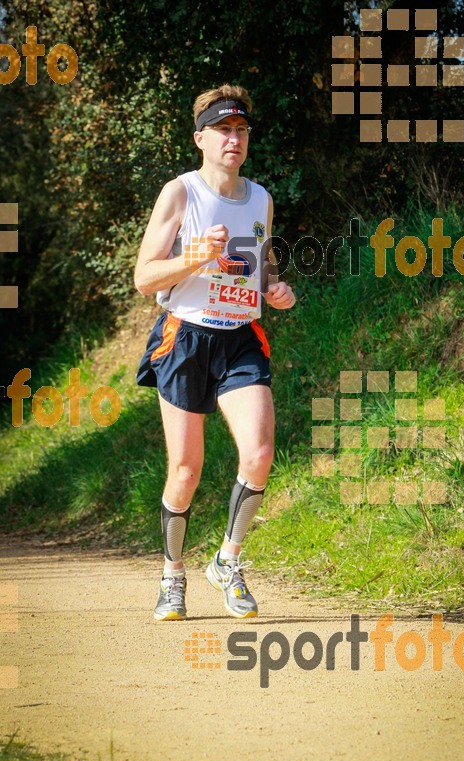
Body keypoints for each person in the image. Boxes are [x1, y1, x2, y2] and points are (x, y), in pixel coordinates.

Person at [134, 84, 296, 621]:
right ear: (201, 137)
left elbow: (261, 258)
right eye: (223, 130)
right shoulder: (180, 193)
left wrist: (274, 287)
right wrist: (196, 257)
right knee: (185, 470)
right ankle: (172, 575)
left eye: (241, 130)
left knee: (260, 453)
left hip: (241, 336)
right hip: (185, 336)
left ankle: (228, 561)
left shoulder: (260, 198)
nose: (234, 139)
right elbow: (144, 277)